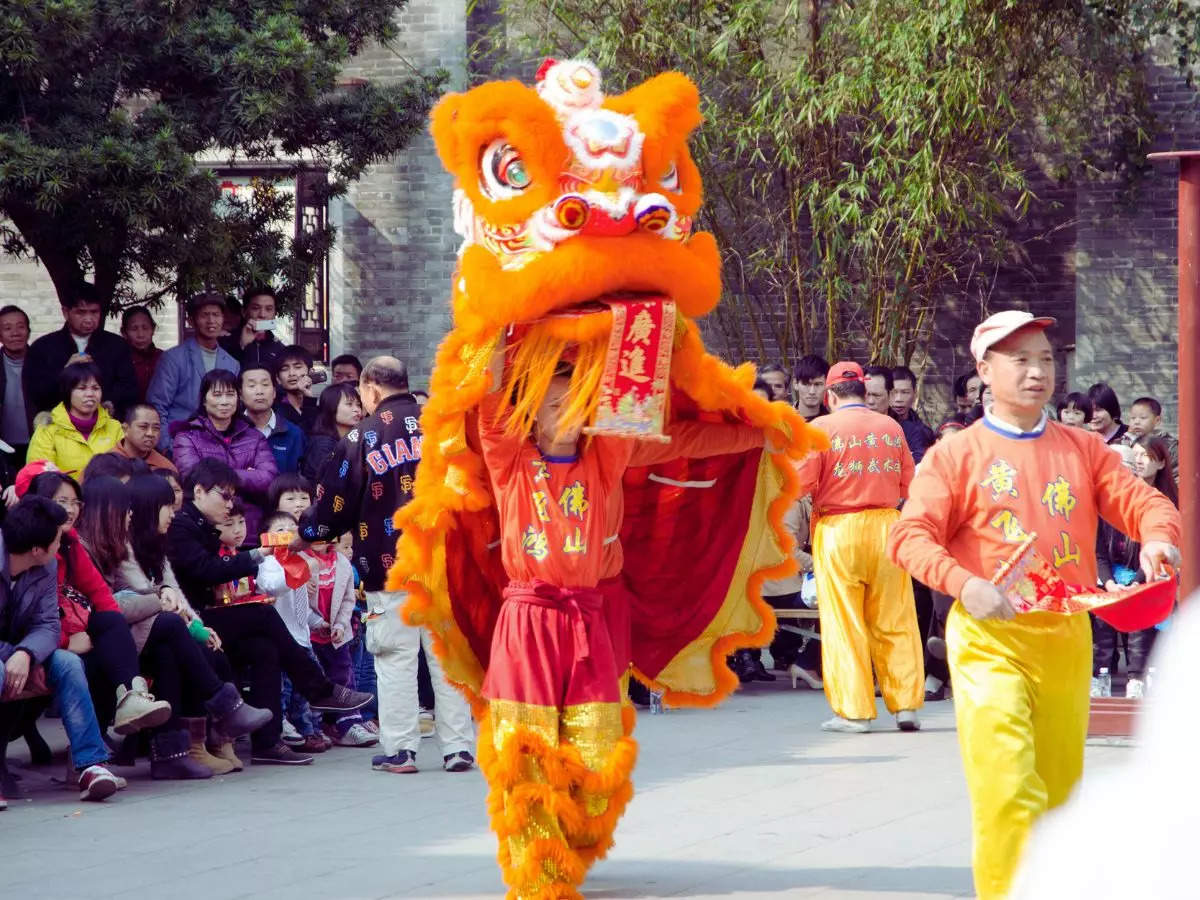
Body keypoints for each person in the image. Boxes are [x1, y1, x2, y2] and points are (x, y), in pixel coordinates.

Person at [887, 310, 1181, 900]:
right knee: (1006, 783)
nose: (1037, 371)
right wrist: (963, 583)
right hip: (989, 638)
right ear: (984, 371)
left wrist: (1158, 537)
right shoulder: (955, 454)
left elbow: (1143, 503)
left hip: (1065, 633)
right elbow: (908, 536)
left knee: (1058, 791)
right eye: (1019, 359)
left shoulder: (1083, 448)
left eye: (1046, 358)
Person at [295, 356, 475, 774]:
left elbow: (332, 505)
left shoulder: (362, 436)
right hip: (445, 562)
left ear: (371, 387)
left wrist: (308, 532)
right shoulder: (444, 428)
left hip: (388, 565)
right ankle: (458, 749)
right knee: (447, 658)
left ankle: (401, 751)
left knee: (395, 658)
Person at [165, 458, 372, 765]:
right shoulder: (183, 526)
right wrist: (257, 555)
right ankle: (319, 689)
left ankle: (269, 742)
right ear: (199, 491)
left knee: (265, 648)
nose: (230, 504)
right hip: (191, 618)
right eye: (224, 495)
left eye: (233, 496)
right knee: (262, 615)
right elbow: (205, 570)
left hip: (208, 614)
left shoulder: (199, 525)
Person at [77, 476, 272, 777]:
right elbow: (119, 606)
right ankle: (226, 709)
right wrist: (162, 601)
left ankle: (176, 753)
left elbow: (173, 593)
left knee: (183, 645)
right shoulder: (111, 548)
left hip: (138, 632)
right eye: (168, 506)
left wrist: (199, 626)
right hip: (110, 638)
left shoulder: (151, 545)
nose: (173, 514)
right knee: (176, 628)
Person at [795, 361, 922, 733]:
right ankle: (906, 706)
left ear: (831, 395)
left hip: (838, 529)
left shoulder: (821, 428)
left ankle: (854, 712)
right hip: (887, 525)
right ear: (865, 393)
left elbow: (800, 483)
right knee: (896, 618)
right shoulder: (891, 427)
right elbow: (907, 486)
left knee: (844, 622)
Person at [26, 472, 174, 742]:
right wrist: (65, 642)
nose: (70, 510)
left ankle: (132, 698)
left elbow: (101, 597)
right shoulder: (28, 544)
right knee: (79, 660)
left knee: (110, 623)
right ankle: (94, 752)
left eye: (75, 503)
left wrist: (113, 629)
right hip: (28, 641)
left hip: (61, 631)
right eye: (62, 501)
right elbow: (27, 614)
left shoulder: (69, 543)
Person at [0, 495, 123, 801]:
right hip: (6, 655)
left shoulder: (45, 568)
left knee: (68, 663)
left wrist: (27, 654)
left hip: (23, 651)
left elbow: (48, 624)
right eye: (57, 539)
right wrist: (15, 656)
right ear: (36, 549)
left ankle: (91, 765)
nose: (63, 544)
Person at [172, 369, 278, 539]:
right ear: (204, 400)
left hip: (250, 528)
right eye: (217, 395)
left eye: (230, 394)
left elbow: (268, 478)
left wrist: (221, 477)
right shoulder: (187, 436)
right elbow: (194, 479)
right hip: (207, 529)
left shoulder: (253, 435)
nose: (225, 401)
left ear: (238, 398)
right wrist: (246, 474)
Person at [24, 283, 138, 419]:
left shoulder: (117, 345)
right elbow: (36, 394)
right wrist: (65, 373)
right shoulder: (43, 347)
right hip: (58, 428)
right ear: (65, 312)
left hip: (106, 425)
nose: (89, 319)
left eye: (94, 312)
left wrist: (103, 405)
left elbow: (129, 389)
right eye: (81, 312)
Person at [307, 526, 376, 747]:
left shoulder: (342, 563)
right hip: (310, 633)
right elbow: (296, 599)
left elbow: (348, 600)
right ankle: (313, 727)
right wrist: (316, 622)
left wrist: (339, 623)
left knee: (345, 675)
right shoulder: (300, 561)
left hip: (338, 633)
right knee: (313, 680)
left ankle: (349, 723)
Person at [146, 292, 241, 448]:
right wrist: (167, 446)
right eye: (204, 315)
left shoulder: (232, 364)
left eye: (216, 315)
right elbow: (157, 406)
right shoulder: (173, 358)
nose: (211, 320)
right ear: (191, 320)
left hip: (219, 446)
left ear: (223, 319)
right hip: (178, 443)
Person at [26, 362, 123, 480]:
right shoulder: (48, 429)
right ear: (68, 392)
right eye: (82, 388)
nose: (90, 394)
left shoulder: (115, 427)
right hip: (64, 497)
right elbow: (39, 475)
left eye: (95, 388)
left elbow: (125, 471)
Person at [241, 365, 305, 475]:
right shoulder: (231, 430)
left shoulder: (294, 433)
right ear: (240, 394)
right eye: (251, 385)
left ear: (274, 392)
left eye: (265, 385)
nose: (259, 391)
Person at [301, 382, 363, 481]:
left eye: (358, 405)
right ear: (331, 407)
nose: (357, 410)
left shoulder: (350, 440)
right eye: (349, 404)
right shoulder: (323, 445)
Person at [0, 304, 35, 466]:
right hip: (3, 446)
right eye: (7, 328)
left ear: (28, 331)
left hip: (39, 444)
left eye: (20, 327)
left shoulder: (43, 361)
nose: (15, 333)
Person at [220, 286, 286, 371]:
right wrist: (242, 346)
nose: (262, 314)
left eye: (269, 309)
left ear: (274, 314)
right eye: (256, 308)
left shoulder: (280, 349)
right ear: (244, 312)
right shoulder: (224, 343)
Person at [111, 403, 177, 474]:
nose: (150, 433)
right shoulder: (108, 462)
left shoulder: (166, 468)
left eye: (156, 428)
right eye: (143, 427)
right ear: (125, 429)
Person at [890, 365, 936, 464]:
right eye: (894, 392)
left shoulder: (924, 433)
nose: (899, 399)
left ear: (915, 394)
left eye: (905, 392)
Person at [1124, 396, 1179, 478]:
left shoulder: (1169, 445)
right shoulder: (1124, 443)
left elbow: (1176, 475)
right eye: (1133, 418)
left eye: (1143, 418)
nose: (1136, 422)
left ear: (1157, 421)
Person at [274, 345, 320, 434]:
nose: (291, 373)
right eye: (285, 369)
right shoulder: (275, 411)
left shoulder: (321, 410)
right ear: (278, 379)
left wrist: (308, 398)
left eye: (298, 367)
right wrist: (309, 402)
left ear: (310, 372)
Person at [120, 307, 162, 404]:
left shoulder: (165, 358)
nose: (140, 334)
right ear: (124, 332)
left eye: (145, 328)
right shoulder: (119, 360)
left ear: (153, 329)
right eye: (134, 329)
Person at [792, 354, 830, 420]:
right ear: (795, 384)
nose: (812, 392)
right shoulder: (782, 421)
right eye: (806, 384)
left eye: (818, 384)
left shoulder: (834, 422)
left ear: (827, 385)